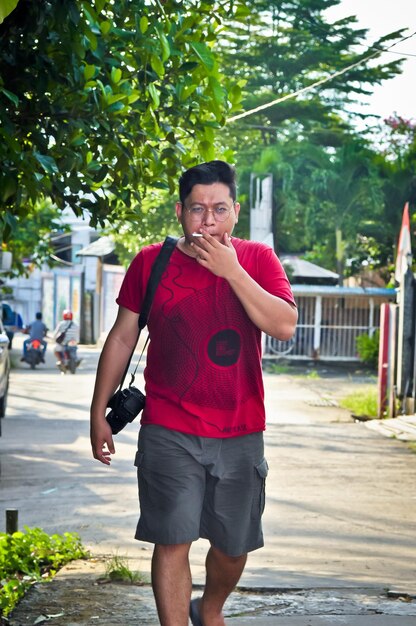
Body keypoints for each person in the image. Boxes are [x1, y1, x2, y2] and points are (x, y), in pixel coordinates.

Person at [90, 160, 298, 626]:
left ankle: (211, 608)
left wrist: (233, 271)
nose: (208, 220)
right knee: (173, 538)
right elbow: (122, 337)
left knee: (233, 545)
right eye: (197, 209)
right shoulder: (151, 261)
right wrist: (97, 410)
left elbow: (283, 325)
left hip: (240, 428)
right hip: (169, 426)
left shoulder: (259, 259)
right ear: (180, 211)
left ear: (236, 211)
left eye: (219, 209)